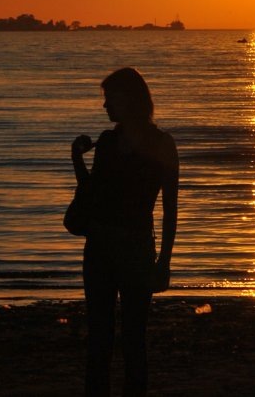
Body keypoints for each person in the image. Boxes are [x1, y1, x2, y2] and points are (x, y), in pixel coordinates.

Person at [71, 67, 179, 397]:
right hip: (103, 249)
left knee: (133, 338)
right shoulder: (107, 141)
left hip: (134, 250)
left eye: (110, 98)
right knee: (100, 337)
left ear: (129, 99)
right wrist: (77, 160)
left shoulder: (161, 144)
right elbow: (93, 194)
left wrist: (164, 261)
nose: (105, 105)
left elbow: (170, 208)